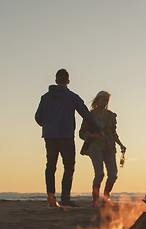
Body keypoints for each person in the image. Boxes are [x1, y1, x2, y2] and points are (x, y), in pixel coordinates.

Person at [35, 68, 103, 208]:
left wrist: (47, 125)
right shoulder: (72, 97)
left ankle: (51, 197)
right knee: (69, 167)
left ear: (55, 81)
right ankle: (65, 198)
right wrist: (98, 129)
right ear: (68, 81)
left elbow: (38, 118)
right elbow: (86, 114)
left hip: (50, 136)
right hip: (66, 137)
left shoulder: (45, 97)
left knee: (50, 166)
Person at [79, 91, 126, 207]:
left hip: (109, 147)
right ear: (97, 100)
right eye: (103, 99)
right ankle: (96, 199)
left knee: (113, 174)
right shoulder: (90, 116)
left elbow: (113, 133)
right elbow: (81, 133)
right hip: (95, 148)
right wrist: (94, 135)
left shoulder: (111, 116)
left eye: (107, 100)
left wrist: (121, 145)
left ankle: (106, 197)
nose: (105, 102)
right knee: (99, 174)